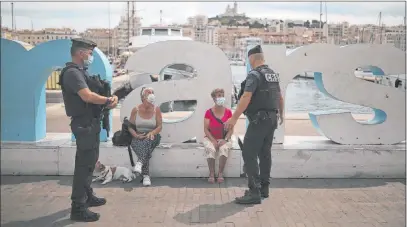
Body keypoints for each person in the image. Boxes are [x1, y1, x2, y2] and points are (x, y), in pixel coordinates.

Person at [59, 38, 118, 222]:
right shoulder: (72, 73)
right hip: (83, 125)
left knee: (90, 164)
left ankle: (87, 196)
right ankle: (78, 207)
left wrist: (108, 100)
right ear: (81, 53)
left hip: (90, 124)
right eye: (90, 53)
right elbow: (86, 96)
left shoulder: (81, 72)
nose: (91, 56)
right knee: (83, 167)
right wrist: (108, 100)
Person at [225, 45, 284, 204]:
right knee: (265, 154)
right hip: (272, 118)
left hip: (259, 121)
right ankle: (264, 188)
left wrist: (234, 118)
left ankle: (254, 192)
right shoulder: (272, 74)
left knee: (249, 153)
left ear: (252, 59)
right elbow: (280, 97)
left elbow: (246, 97)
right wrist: (282, 114)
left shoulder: (254, 74)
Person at [128, 87, 162, 186]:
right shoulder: (136, 109)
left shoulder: (156, 109)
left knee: (148, 140)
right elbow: (130, 126)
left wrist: (152, 133)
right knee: (144, 148)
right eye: (148, 92)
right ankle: (145, 174)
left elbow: (159, 126)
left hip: (153, 136)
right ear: (143, 97)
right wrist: (136, 135)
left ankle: (141, 165)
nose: (151, 93)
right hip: (138, 136)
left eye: (152, 92)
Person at [203, 88, 234, 183]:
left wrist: (225, 139)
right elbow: (206, 129)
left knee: (224, 149)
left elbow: (231, 129)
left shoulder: (228, 112)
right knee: (210, 149)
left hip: (224, 138)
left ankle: (220, 173)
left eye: (222, 95)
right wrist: (213, 140)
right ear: (214, 98)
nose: (221, 97)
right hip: (210, 138)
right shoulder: (208, 112)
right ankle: (211, 173)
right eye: (219, 95)